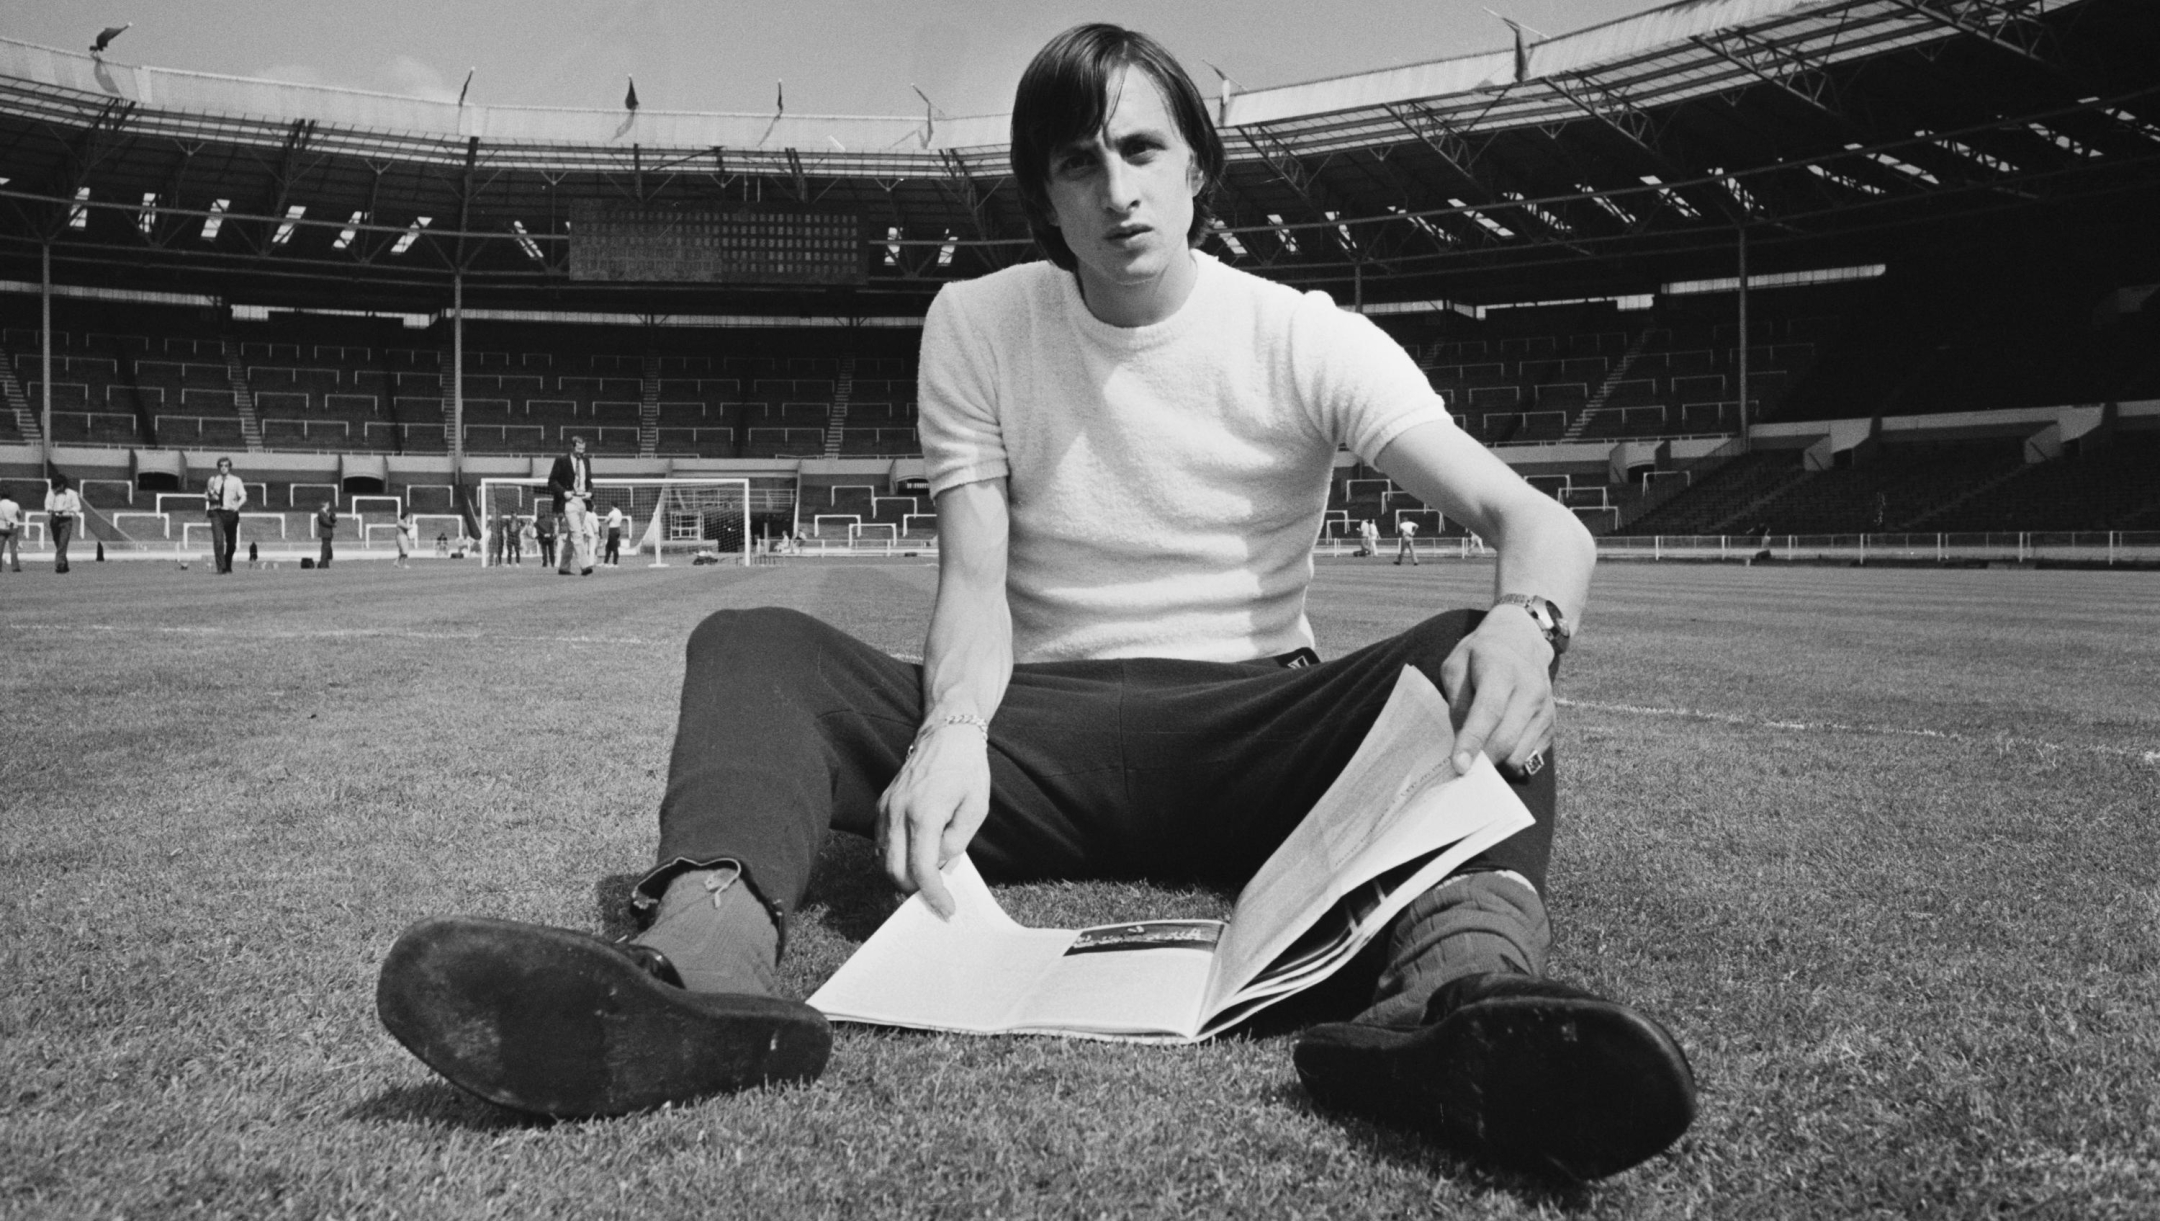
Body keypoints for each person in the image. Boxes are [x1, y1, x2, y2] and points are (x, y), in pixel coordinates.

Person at [376, 25, 1694, 1185]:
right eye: (1078, 162)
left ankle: (1466, 1004)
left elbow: (1541, 526)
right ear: (1046, 199)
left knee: (1472, 649)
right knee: (752, 643)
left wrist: (1529, 624)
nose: (1116, 187)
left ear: (1197, 168)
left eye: (1142, 148)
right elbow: (975, 581)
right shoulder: (977, 323)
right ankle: (697, 975)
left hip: (1256, 737)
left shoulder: (1303, 337)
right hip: (1030, 738)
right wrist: (952, 728)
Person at [549, 435, 596, 576]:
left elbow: (589, 481)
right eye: (579, 448)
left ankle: (564, 567)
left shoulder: (586, 461)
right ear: (572, 447)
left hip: (582, 502)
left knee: (572, 535)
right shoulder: (561, 461)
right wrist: (564, 492)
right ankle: (585, 566)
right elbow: (552, 481)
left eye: (583, 449)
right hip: (568, 502)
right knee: (577, 533)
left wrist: (590, 492)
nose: (581, 451)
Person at [204, 457, 246, 575]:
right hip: (217, 513)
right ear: (218, 467)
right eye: (221, 465)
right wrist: (210, 497)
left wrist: (238, 505)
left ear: (229, 467)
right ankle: (221, 568)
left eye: (226, 465)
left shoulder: (236, 480)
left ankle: (227, 563)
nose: (223, 468)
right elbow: (207, 495)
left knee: (231, 544)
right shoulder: (213, 480)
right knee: (218, 541)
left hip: (231, 513)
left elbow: (243, 496)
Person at [45, 475, 82, 573]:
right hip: (55, 519)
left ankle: (59, 565)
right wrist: (50, 510)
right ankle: (64, 563)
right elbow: (47, 504)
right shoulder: (51, 492)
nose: (56, 488)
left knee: (63, 542)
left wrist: (68, 511)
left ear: (62, 485)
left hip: (66, 520)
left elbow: (77, 506)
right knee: (58, 542)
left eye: (58, 486)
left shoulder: (72, 493)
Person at [0, 488, 21, 573]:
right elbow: (19, 515)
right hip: (12, 527)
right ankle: (15, 567)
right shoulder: (14, 505)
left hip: (1, 527)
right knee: (13, 548)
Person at [314, 500, 338, 568]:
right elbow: (325, 522)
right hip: (325, 533)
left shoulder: (327, 512)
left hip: (328, 533)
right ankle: (323, 565)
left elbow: (333, 520)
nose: (329, 506)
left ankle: (325, 564)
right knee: (325, 549)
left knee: (327, 549)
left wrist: (333, 515)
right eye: (327, 504)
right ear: (324, 505)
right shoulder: (321, 512)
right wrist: (333, 525)